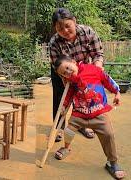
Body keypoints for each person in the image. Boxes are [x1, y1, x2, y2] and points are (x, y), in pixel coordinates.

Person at [53, 55, 126, 179]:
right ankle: (66, 148)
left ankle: (112, 162)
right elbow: (69, 94)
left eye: (68, 68)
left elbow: (107, 80)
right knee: (69, 130)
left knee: (108, 135)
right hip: (79, 114)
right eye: (64, 73)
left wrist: (117, 92)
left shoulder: (93, 70)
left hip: (98, 112)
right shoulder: (70, 81)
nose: (68, 72)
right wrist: (65, 106)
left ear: (73, 62)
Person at [49, 8, 104, 141]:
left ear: (74, 21)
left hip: (83, 68)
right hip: (61, 71)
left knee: (83, 96)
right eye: (60, 29)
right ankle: (59, 128)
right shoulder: (54, 42)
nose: (65, 31)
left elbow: (98, 54)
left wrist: (96, 71)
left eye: (67, 26)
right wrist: (67, 78)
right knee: (61, 97)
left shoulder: (88, 32)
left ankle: (83, 125)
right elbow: (57, 65)